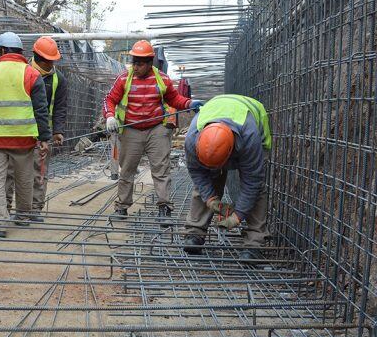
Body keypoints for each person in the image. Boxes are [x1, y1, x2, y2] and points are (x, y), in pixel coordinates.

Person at [102, 39, 202, 221]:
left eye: (140, 63)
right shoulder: (124, 78)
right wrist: (109, 116)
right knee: (127, 170)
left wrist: (189, 103)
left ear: (149, 63)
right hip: (131, 129)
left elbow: (174, 99)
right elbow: (109, 99)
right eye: (134, 62)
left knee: (161, 169)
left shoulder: (161, 79)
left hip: (156, 129)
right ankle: (122, 207)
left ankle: (164, 207)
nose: (135, 66)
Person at [0, 32, 51, 238]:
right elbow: (41, 110)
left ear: (3, 51)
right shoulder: (32, 74)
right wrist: (44, 138)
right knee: (24, 177)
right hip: (23, 138)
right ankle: (23, 216)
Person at [183, 94, 272, 263]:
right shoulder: (191, 139)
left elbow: (252, 182)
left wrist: (237, 216)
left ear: (231, 154)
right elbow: (197, 172)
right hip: (220, 121)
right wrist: (210, 198)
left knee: (257, 190)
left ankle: (254, 244)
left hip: (250, 128)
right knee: (206, 181)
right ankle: (195, 232)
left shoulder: (249, 138)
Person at [5, 36, 68, 222]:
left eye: (53, 60)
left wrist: (57, 131)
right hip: (18, 131)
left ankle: (34, 209)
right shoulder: (22, 72)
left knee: (39, 171)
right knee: (10, 170)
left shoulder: (59, 79)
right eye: (49, 61)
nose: (51, 64)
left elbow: (60, 107)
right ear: (38, 57)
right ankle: (6, 209)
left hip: (42, 133)